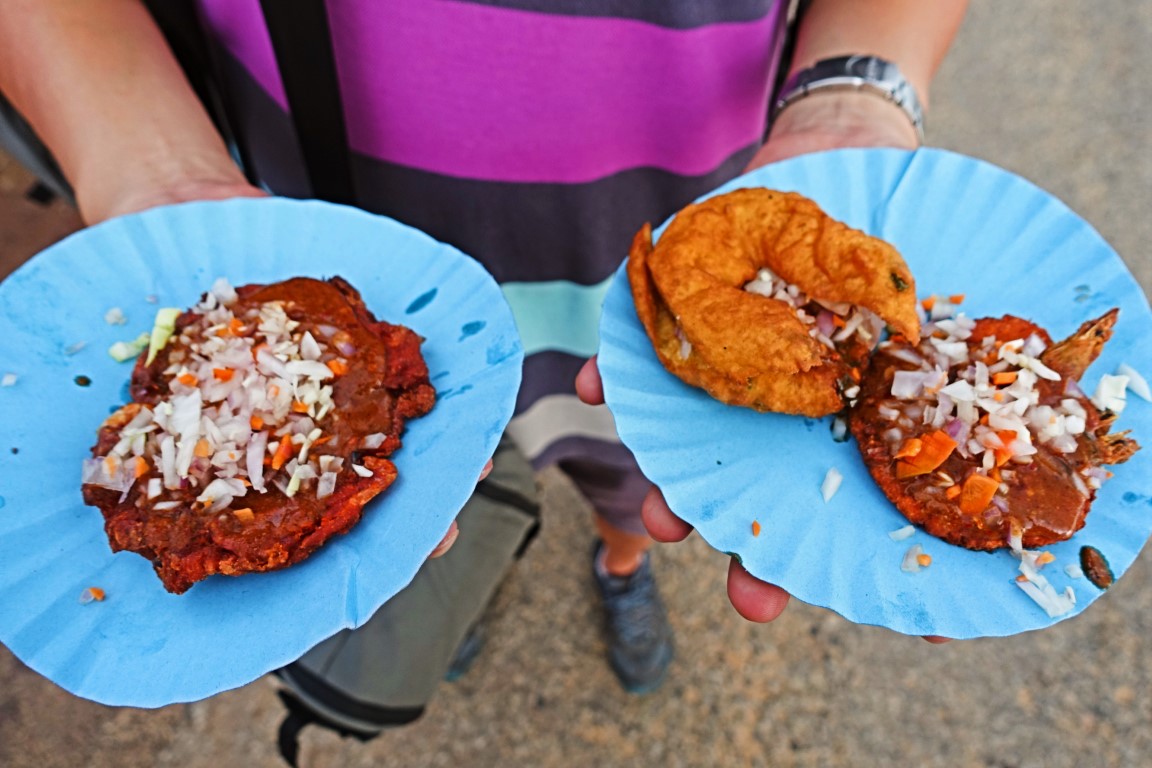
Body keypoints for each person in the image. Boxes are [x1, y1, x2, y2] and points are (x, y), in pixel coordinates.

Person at [0, 0, 965, 702]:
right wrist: (155, 174)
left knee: (632, 466)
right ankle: (461, 577)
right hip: (319, 212)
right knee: (437, 479)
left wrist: (854, 93)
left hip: (669, 224)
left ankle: (619, 565)